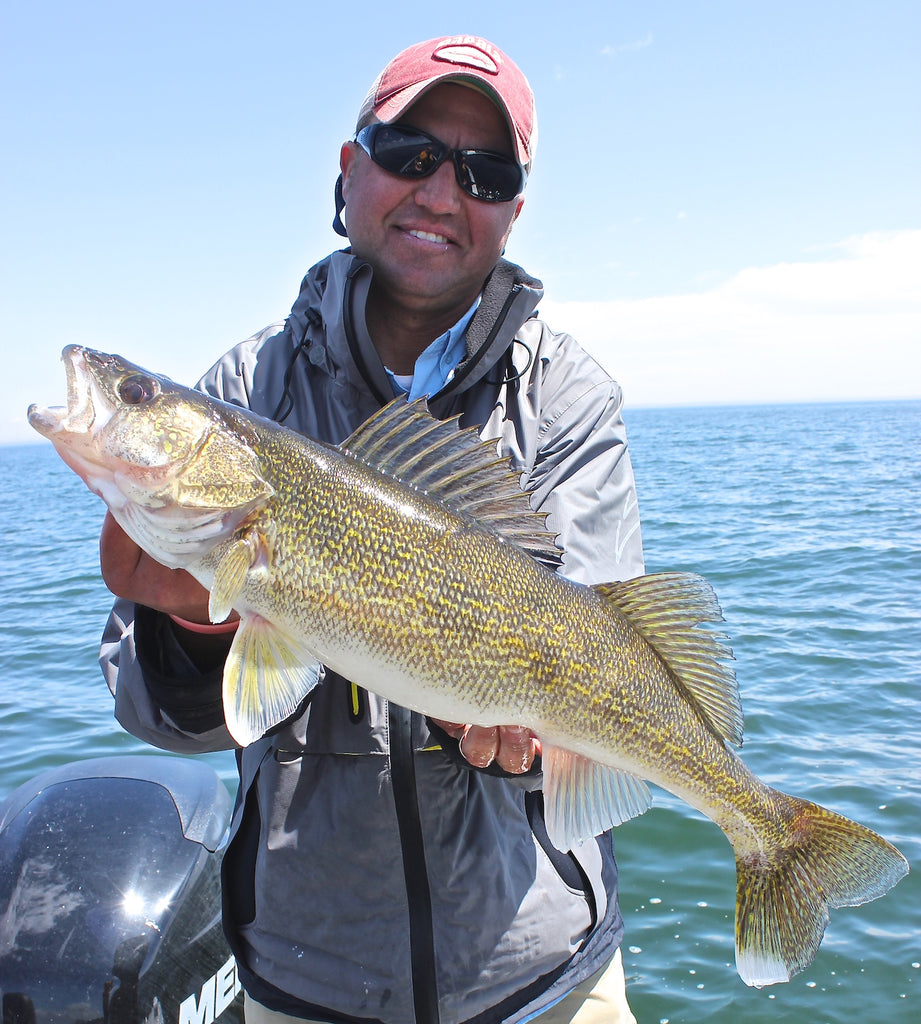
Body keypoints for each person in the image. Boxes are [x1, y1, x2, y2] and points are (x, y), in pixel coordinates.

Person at [99, 35, 644, 1024]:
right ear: (349, 171)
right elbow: (161, 714)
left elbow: (597, 627)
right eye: (410, 153)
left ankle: (769, 834)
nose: (441, 191)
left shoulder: (567, 398)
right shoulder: (244, 393)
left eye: (484, 171)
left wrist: (524, 731)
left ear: (513, 212)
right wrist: (195, 628)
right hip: (307, 982)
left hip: (542, 984)